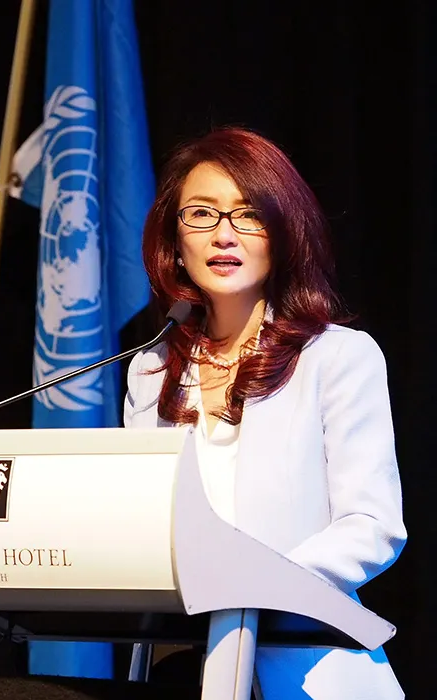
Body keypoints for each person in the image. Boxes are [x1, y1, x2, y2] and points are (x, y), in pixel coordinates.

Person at [123, 127, 407, 699]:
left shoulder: (338, 357)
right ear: (174, 238)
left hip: (308, 665)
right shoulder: (150, 368)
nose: (223, 234)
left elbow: (373, 526)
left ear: (282, 232)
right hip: (179, 661)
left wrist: (259, 587)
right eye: (200, 214)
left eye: (248, 214)